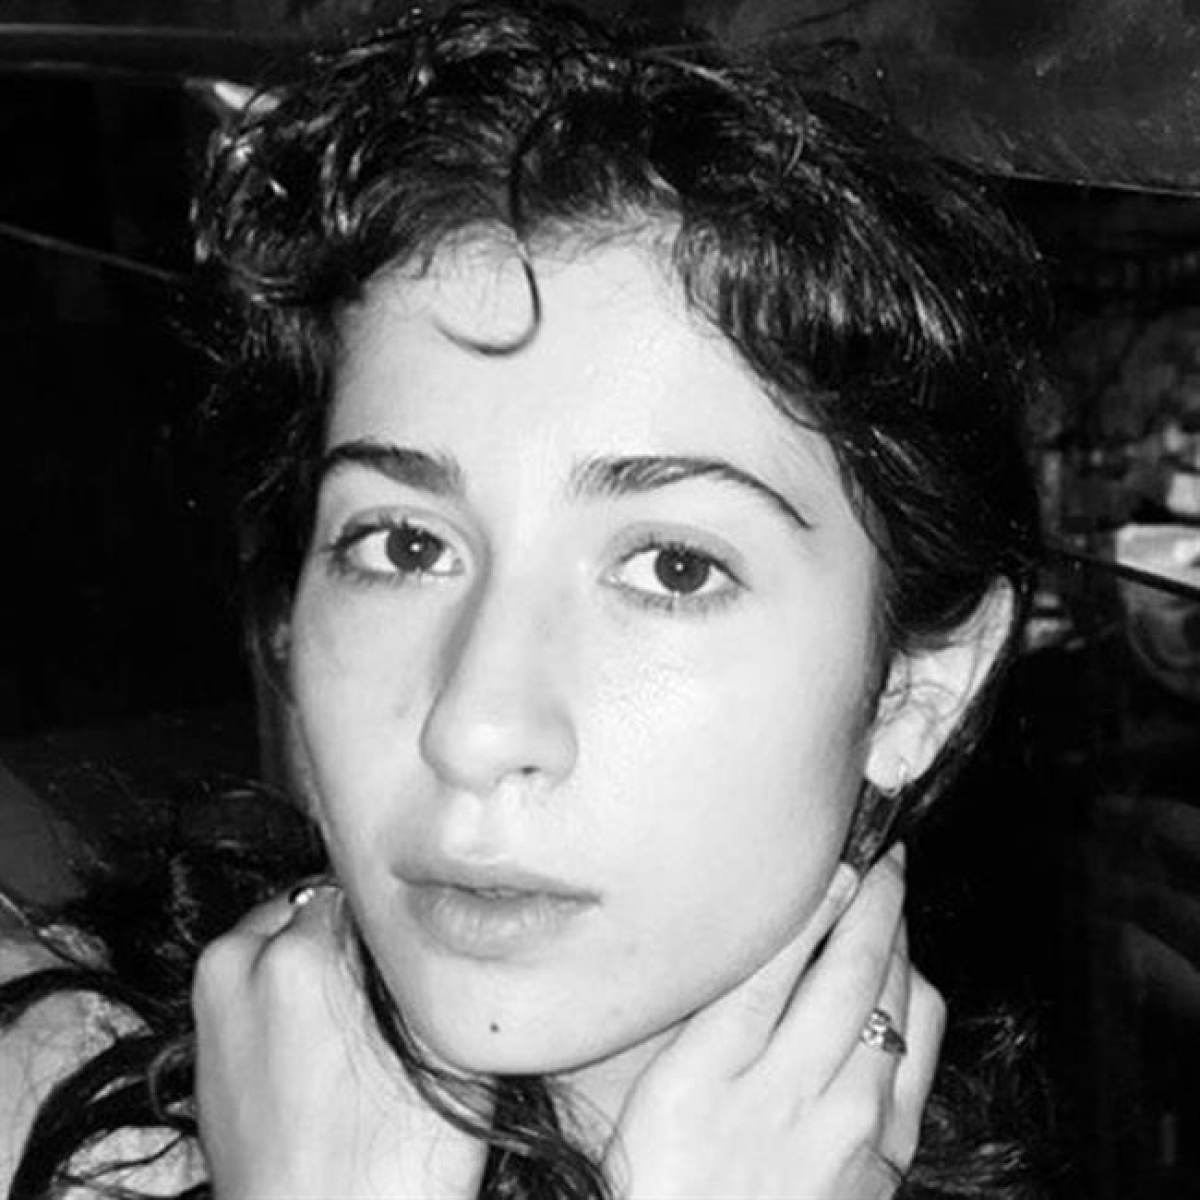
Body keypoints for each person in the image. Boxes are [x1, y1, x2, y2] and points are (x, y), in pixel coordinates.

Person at [0, 1, 1052, 1195]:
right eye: (405, 546)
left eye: (673, 568)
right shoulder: (53, 1105)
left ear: (917, 688)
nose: (475, 725)